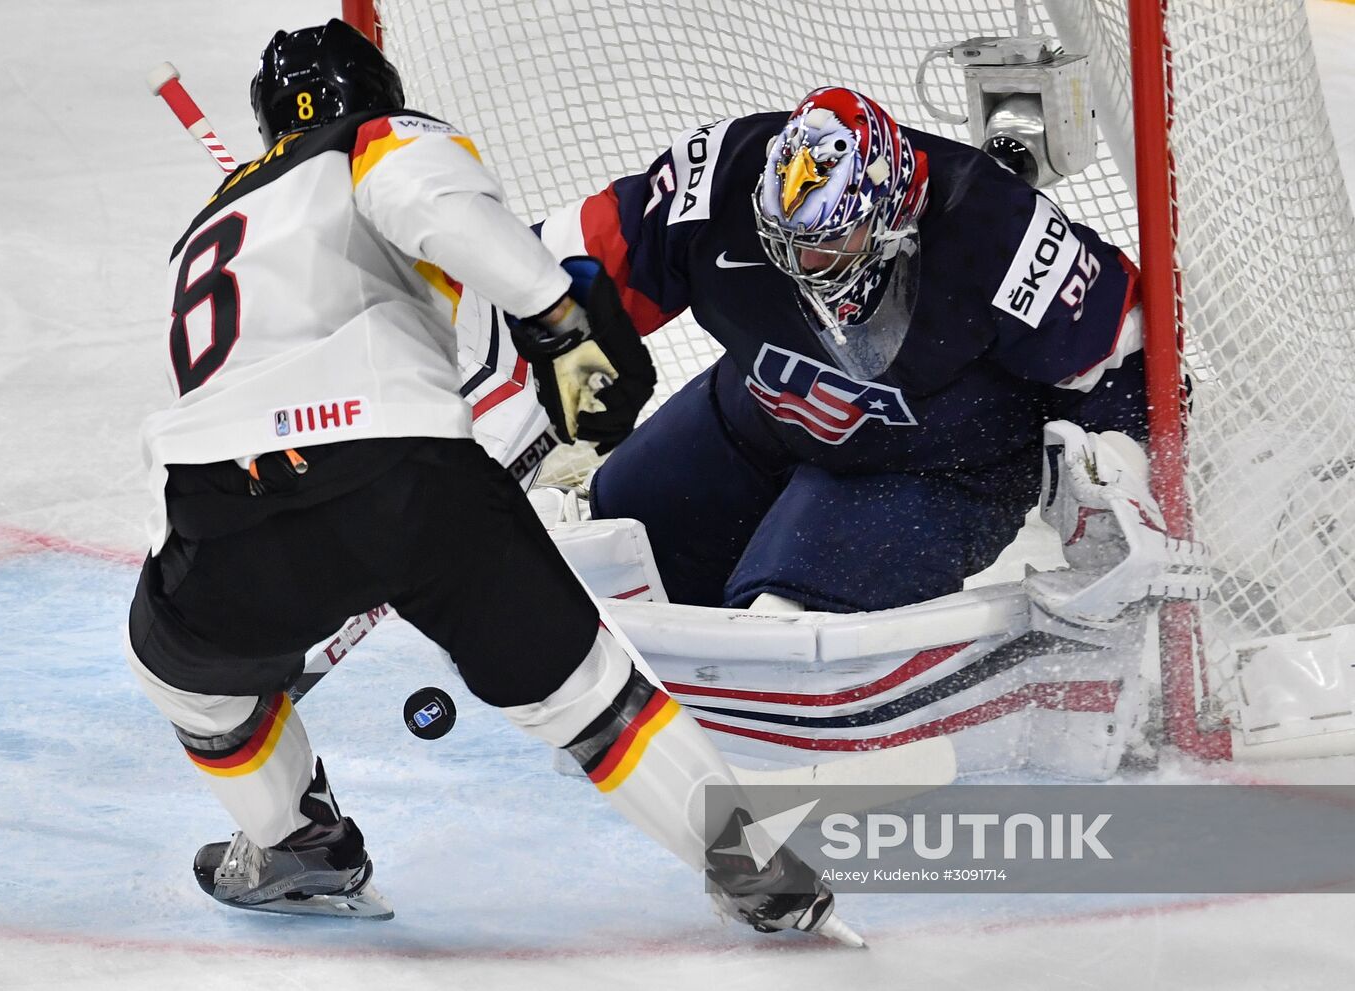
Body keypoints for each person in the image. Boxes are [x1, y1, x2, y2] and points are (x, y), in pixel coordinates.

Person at [124, 20, 855, 942]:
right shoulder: (374, 139)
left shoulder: (207, 229)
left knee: (187, 681)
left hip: (227, 493)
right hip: (410, 468)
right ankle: (752, 866)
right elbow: (420, 193)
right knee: (587, 693)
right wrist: (552, 311)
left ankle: (296, 843)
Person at [537, 87, 1152, 614]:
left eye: (829, 242)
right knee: (627, 514)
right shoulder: (722, 174)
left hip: (940, 461)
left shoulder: (1000, 233)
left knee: (791, 595)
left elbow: (1122, 355)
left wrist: (1117, 500)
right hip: (764, 409)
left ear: (895, 215)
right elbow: (567, 269)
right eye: (787, 238)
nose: (802, 265)